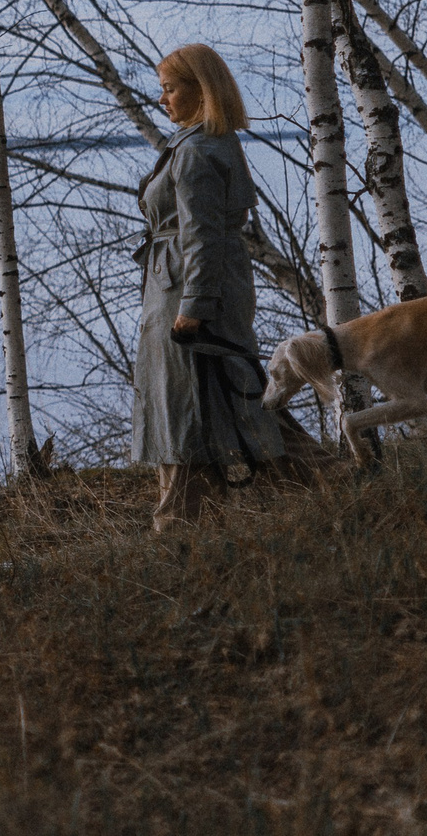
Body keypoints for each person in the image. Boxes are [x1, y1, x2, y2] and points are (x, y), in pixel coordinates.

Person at [134, 43, 285, 530]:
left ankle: (179, 525)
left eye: (170, 89)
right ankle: (312, 486)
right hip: (183, 282)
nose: (163, 99)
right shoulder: (204, 143)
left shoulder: (197, 151)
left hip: (186, 289)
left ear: (201, 90)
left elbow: (202, 235)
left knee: (189, 402)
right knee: (226, 395)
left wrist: (193, 306)